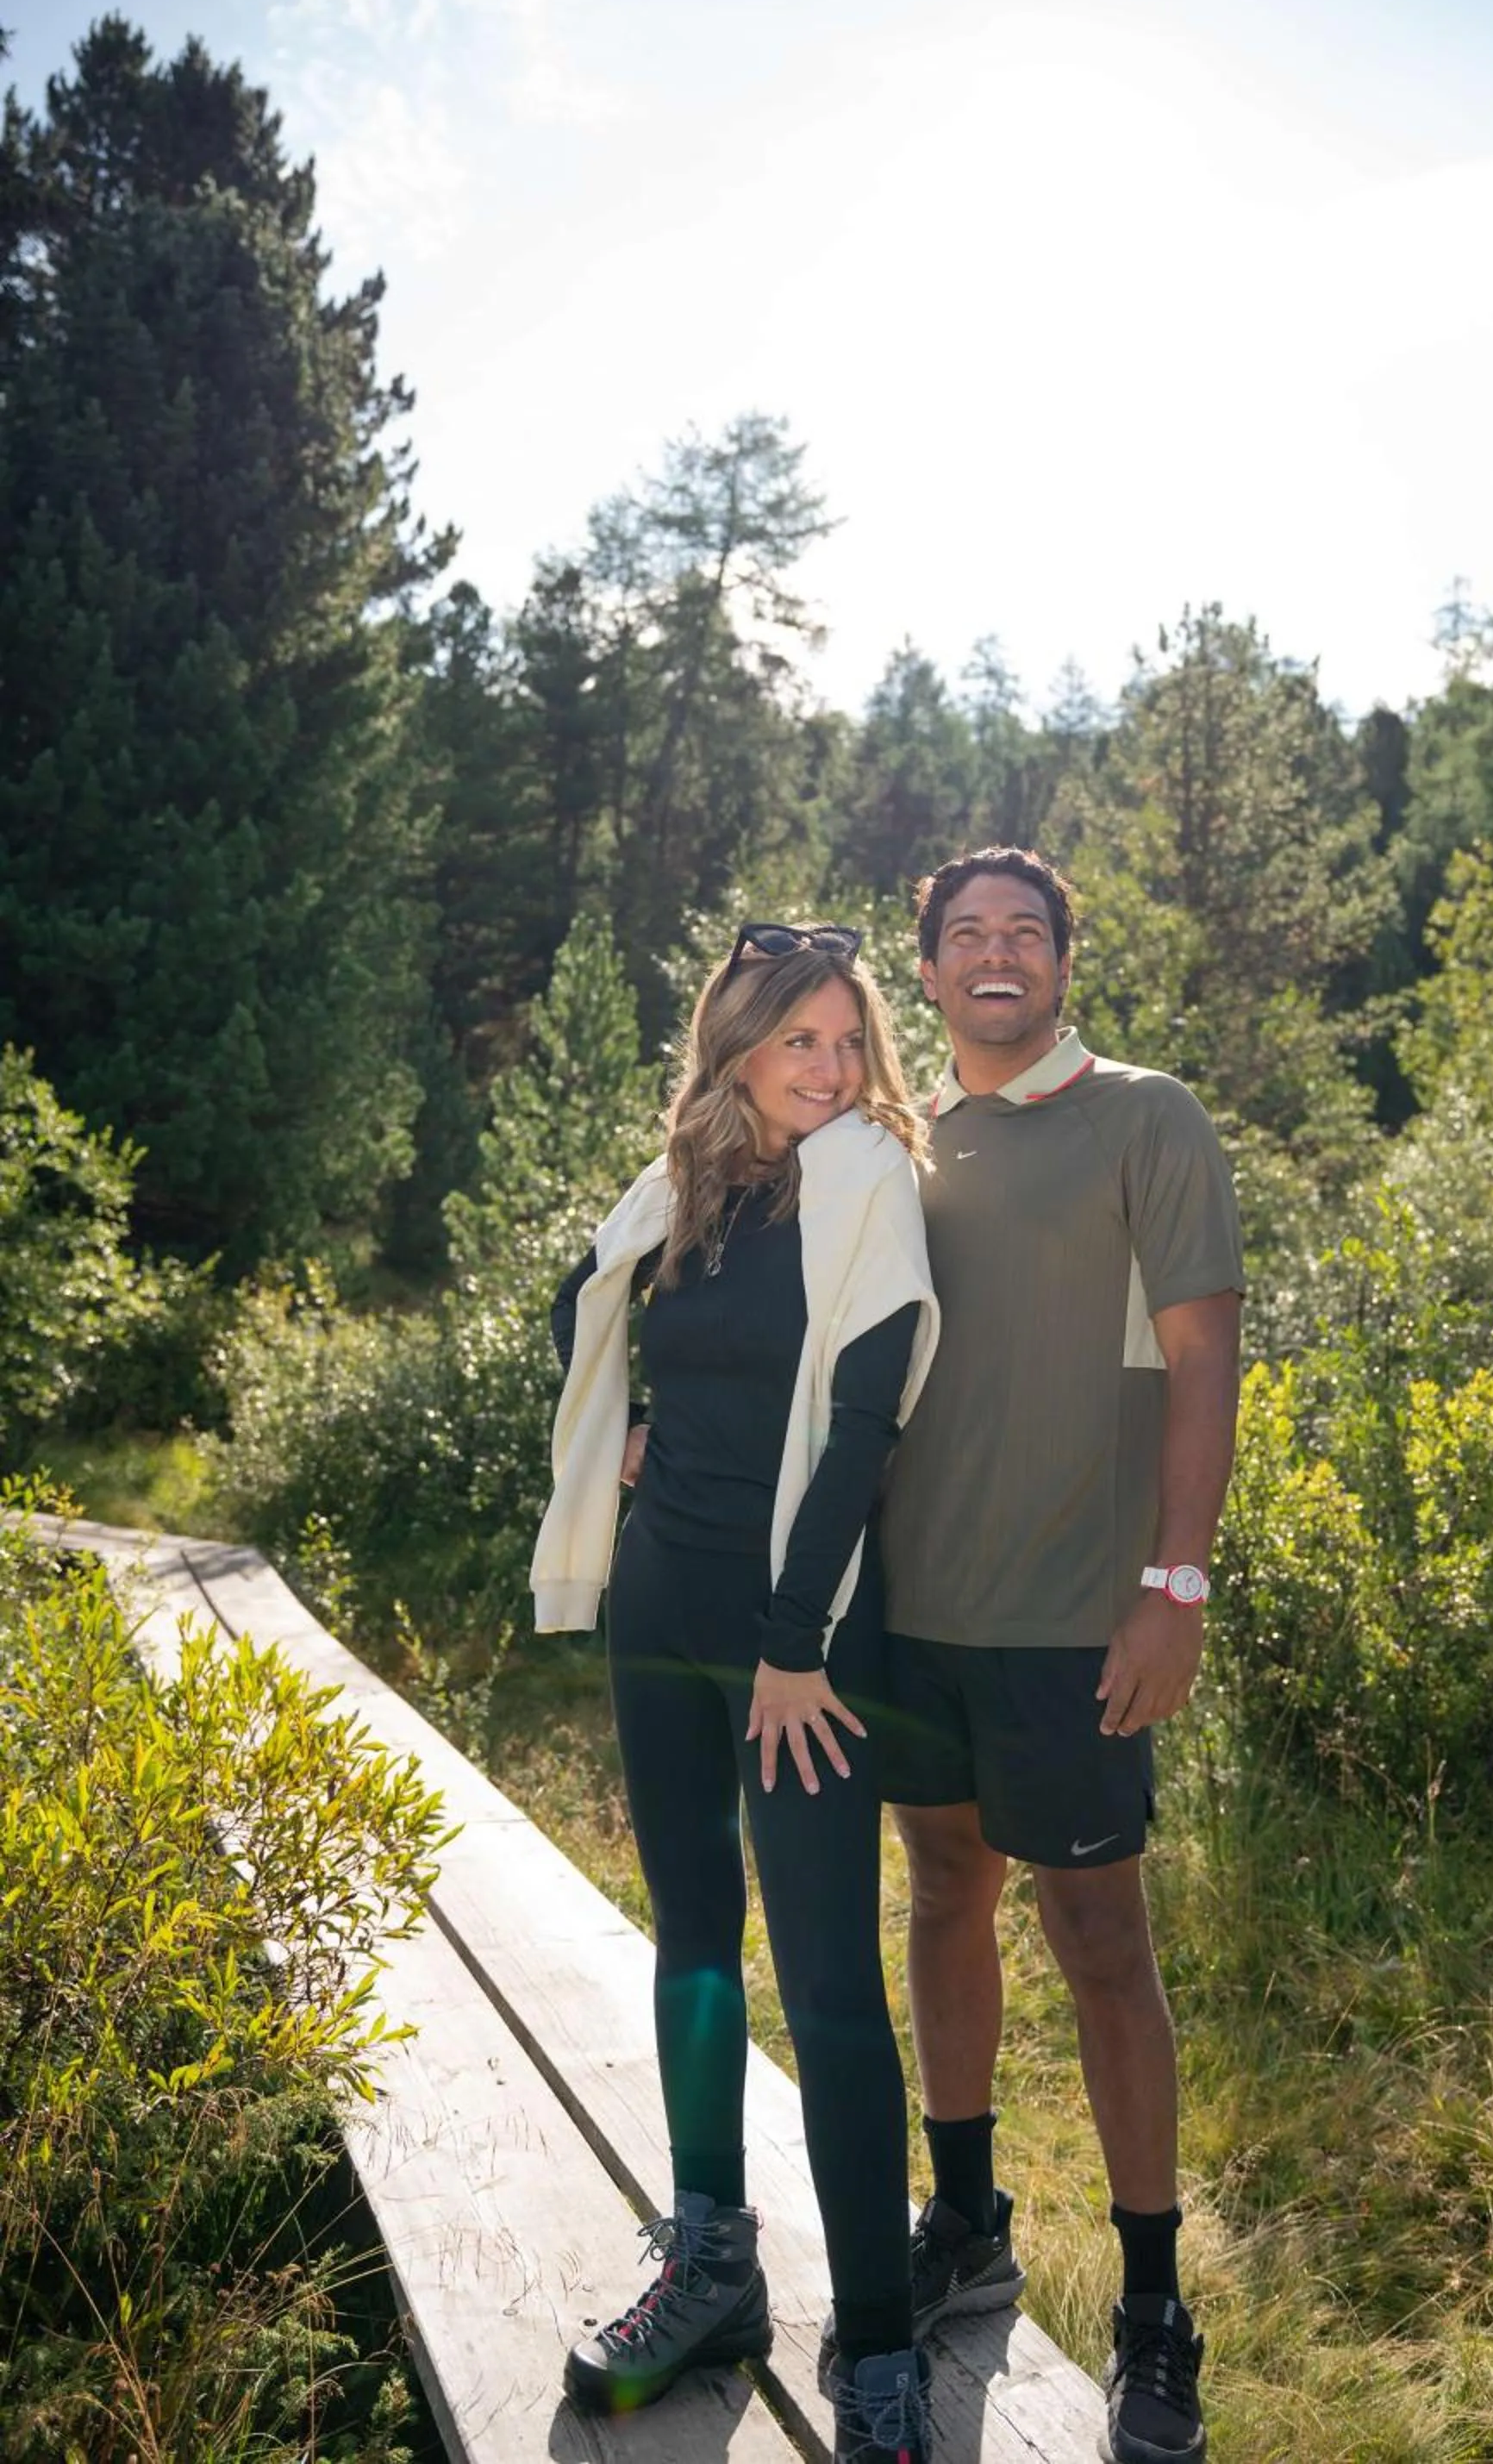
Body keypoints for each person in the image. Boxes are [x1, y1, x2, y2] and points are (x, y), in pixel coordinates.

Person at [533, 922, 940, 2464]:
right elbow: (579, 1303)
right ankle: (712, 2269)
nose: (830, 1069)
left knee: (830, 1981)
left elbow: (864, 1429)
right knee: (695, 1937)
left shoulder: (867, 1180)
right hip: (662, 1606)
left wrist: (793, 1644)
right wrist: (626, 1432)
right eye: (798, 1043)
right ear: (738, 1051)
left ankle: (879, 2349)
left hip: (803, 1642)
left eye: (847, 1041)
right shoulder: (691, 1188)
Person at [876, 847, 1245, 2464]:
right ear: (928, 971)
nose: (997, 954)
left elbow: (1204, 1353)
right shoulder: (892, 1136)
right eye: (967, 933)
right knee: (941, 1895)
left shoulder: (1145, 1118)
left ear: (1064, 961)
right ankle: (967, 2226)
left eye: (1025, 931)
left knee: (1100, 1939)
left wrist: (1175, 1583)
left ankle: (1153, 2310)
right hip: (909, 1614)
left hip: (1075, 1624)